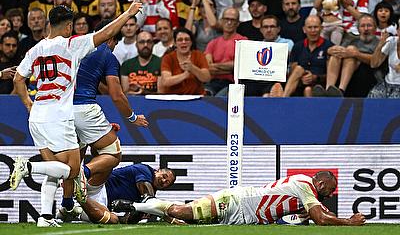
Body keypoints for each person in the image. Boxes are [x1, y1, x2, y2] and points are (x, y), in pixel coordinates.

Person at [10, 2, 143, 227]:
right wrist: (128, 13)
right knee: (71, 170)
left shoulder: (34, 49)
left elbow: (18, 79)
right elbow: (107, 33)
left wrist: (28, 104)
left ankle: (45, 217)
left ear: (48, 24)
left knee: (53, 169)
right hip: (58, 116)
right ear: (69, 26)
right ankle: (27, 167)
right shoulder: (72, 44)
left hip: (37, 116)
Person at [57, 18, 149, 218]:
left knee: (75, 158)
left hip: (61, 110)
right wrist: (132, 117)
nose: (115, 46)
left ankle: (66, 207)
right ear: (110, 37)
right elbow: (117, 95)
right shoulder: (107, 55)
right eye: (115, 42)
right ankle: (85, 175)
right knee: (113, 152)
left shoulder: (73, 45)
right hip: (84, 107)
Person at [115, 171, 366, 226]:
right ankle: (136, 204)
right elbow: (321, 218)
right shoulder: (305, 186)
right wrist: (349, 223)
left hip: (243, 216)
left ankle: (147, 215)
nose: (330, 194)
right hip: (236, 200)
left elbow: (320, 214)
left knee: (183, 223)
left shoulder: (304, 187)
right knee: (183, 213)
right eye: (329, 190)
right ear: (320, 183)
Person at [62, 164, 176, 224]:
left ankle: (74, 208)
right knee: (111, 161)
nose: (164, 181)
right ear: (158, 170)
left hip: (100, 206)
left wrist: (135, 215)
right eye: (164, 176)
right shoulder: (145, 170)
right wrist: (165, 214)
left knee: (114, 220)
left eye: (167, 183)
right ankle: (79, 172)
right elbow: (147, 197)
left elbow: (127, 220)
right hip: (99, 187)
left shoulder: (150, 199)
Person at [313, 14, 379, 97]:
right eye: (362, 26)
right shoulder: (351, 39)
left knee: (351, 52)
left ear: (375, 28)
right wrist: (330, 51)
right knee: (336, 54)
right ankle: (329, 90)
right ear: (358, 29)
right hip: (347, 72)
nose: (366, 29)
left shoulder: (379, 43)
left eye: (369, 26)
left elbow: (377, 61)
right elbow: (340, 51)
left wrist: (357, 54)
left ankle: (341, 90)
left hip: (368, 74)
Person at [241, 15, 294, 97]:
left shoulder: (287, 43)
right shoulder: (256, 45)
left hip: (278, 77)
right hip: (259, 78)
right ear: (261, 30)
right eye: (265, 27)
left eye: (272, 27)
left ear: (278, 29)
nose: (269, 30)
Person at [282, 15, 334, 97]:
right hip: (299, 84)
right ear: (304, 29)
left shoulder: (329, 46)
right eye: (309, 27)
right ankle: (283, 99)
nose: (313, 30)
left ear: (321, 28)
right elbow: (292, 72)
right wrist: (303, 77)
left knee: (308, 90)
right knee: (299, 69)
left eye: (316, 27)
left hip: (320, 86)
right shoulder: (297, 46)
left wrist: (315, 77)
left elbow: (333, 74)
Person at [204, 7, 247, 96]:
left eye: (233, 20)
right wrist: (229, 68)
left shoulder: (243, 41)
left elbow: (239, 66)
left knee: (218, 100)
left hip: (233, 84)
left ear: (238, 23)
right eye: (226, 19)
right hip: (212, 82)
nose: (229, 22)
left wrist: (216, 66)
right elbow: (207, 67)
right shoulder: (213, 43)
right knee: (203, 97)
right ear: (221, 21)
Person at [159, 27, 211, 95]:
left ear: (191, 42)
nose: (184, 42)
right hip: (174, 97)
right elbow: (166, 81)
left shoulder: (199, 55)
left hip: (196, 96)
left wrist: (192, 68)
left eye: (187, 39)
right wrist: (185, 75)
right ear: (175, 43)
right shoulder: (168, 58)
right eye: (180, 40)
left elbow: (206, 78)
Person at [120, 30, 162, 95]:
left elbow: (161, 93)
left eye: (149, 42)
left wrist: (144, 92)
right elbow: (125, 92)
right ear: (136, 45)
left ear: (153, 44)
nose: (145, 45)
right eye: (142, 42)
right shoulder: (126, 65)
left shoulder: (161, 63)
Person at [368, 21, 400, 98]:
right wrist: (380, 45)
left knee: (391, 105)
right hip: (387, 83)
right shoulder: (392, 41)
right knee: (371, 100)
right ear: (397, 30)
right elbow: (374, 64)